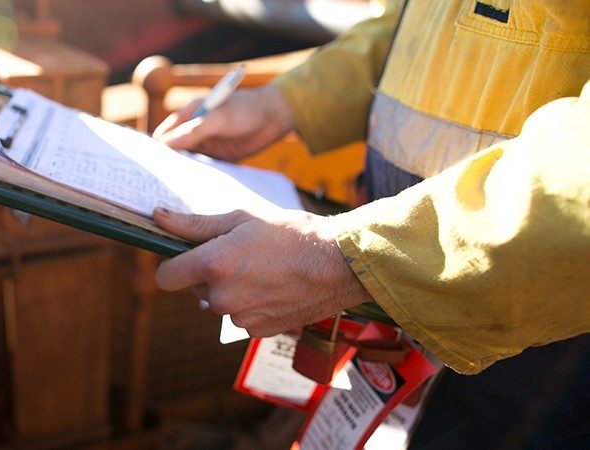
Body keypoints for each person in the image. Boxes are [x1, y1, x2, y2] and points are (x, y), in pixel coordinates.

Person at [150, 0, 589, 446]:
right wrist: (288, 102)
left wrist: (355, 259)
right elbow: (420, 23)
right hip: (401, 276)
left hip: (540, 337)